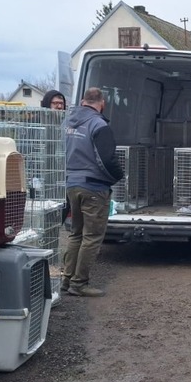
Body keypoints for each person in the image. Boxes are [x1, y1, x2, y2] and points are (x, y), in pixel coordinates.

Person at [61, 86, 124, 297]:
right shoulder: (98, 124)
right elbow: (106, 159)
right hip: (94, 187)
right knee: (92, 237)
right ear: (102, 103)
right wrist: (117, 176)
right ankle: (79, 284)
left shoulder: (68, 123)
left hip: (72, 185)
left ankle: (66, 280)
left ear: (82, 101)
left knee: (75, 234)